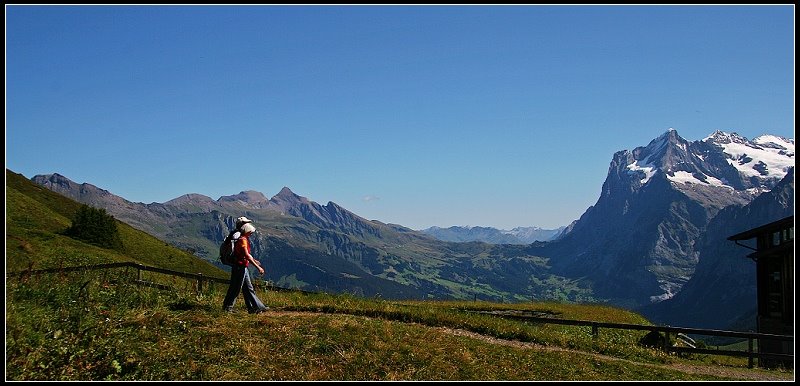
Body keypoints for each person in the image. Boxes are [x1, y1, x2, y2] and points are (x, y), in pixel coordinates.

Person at [222, 222, 269, 314]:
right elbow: (246, 255)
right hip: (240, 267)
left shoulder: (241, 239)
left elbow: (245, 255)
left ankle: (256, 307)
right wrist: (258, 267)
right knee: (235, 288)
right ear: (247, 231)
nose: (251, 234)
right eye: (250, 232)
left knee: (248, 288)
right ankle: (228, 308)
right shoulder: (243, 240)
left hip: (241, 266)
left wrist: (254, 261)